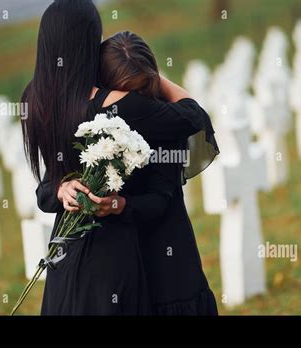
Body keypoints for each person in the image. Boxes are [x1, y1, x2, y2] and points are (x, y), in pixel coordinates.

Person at [22, 0, 218, 315]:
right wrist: (154, 76)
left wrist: (61, 189)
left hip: (69, 263)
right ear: (90, 44)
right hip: (132, 256)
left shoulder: (36, 100)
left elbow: (47, 187)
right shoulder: (119, 104)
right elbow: (193, 116)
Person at [95, 31, 219, 315]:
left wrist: (123, 205)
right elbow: (193, 111)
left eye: (142, 91)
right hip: (121, 262)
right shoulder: (98, 126)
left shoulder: (163, 122)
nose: (137, 103)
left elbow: (161, 198)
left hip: (168, 258)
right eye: (128, 93)